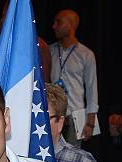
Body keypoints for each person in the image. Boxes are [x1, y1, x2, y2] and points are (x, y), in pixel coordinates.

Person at [50, 9, 98, 146]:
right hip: (54, 112)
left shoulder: (86, 54)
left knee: (74, 154)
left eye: (58, 22)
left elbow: (91, 88)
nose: (54, 26)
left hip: (76, 115)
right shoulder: (50, 51)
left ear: (70, 25)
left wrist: (90, 122)